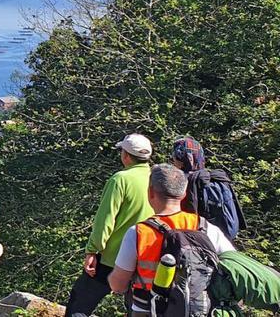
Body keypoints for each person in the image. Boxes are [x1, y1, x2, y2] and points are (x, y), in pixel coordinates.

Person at [107, 164, 236, 315]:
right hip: (196, 310)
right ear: (183, 195)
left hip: (149, 310)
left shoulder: (138, 232)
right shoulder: (206, 228)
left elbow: (118, 285)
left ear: (150, 193)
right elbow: (233, 269)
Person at [64, 134, 156, 317]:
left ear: (127, 156)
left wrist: (92, 250)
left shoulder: (120, 179)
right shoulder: (156, 178)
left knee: (79, 302)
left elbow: (105, 220)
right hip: (147, 257)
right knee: (138, 307)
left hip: (113, 257)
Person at [171, 137, 245, 240]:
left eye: (174, 157)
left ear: (181, 159)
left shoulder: (182, 182)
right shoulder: (215, 179)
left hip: (194, 241)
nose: (173, 161)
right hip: (222, 241)